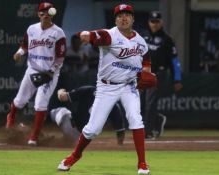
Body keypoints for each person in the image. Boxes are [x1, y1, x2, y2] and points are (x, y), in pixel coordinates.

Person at [57, 4, 156, 174]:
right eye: (119, 15)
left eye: (127, 15)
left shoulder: (140, 41)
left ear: (133, 18)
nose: (123, 18)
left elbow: (146, 60)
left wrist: (146, 71)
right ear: (115, 19)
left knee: (135, 119)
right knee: (93, 129)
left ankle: (142, 164)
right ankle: (74, 156)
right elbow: (95, 36)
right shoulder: (109, 35)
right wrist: (85, 35)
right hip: (106, 87)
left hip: (129, 86)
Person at [5, 2, 66, 146]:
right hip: (32, 69)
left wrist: (51, 72)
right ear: (38, 14)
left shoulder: (58, 33)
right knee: (20, 100)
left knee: (40, 104)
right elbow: (25, 45)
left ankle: (34, 137)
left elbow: (60, 57)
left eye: (47, 12)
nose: (45, 14)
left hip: (50, 73)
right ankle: (11, 118)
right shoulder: (32, 29)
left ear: (52, 14)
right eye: (42, 12)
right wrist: (19, 53)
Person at [142, 11, 183, 140]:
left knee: (150, 103)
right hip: (143, 73)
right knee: (139, 103)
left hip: (158, 73)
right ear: (149, 22)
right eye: (152, 21)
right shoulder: (143, 37)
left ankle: (147, 132)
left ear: (161, 22)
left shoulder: (167, 40)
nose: (154, 24)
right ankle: (157, 120)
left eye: (157, 22)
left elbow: (174, 61)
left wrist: (177, 79)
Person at [50, 86, 126, 145]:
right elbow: (120, 131)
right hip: (78, 137)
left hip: (68, 124)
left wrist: (60, 91)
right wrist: (120, 145)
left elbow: (62, 98)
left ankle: (40, 133)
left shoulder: (88, 90)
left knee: (56, 111)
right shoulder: (113, 105)